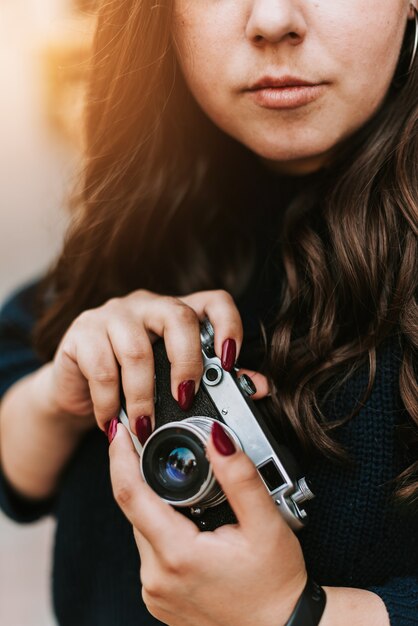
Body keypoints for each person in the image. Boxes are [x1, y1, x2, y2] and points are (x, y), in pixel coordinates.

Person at [0, 0, 417, 624]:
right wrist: (59, 399)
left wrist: (295, 613)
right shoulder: (145, 211)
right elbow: (16, 467)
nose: (273, 18)